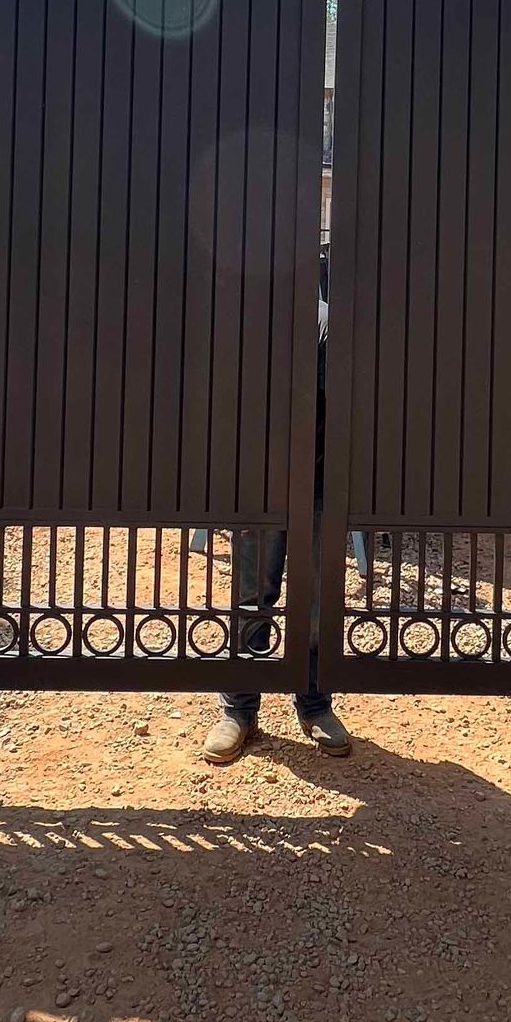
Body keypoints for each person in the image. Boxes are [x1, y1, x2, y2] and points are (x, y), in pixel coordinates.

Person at [201, 252, 351, 764]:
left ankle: (313, 705)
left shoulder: (334, 301)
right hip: (258, 481)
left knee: (313, 603)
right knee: (252, 595)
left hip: (317, 479)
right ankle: (239, 710)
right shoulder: (243, 302)